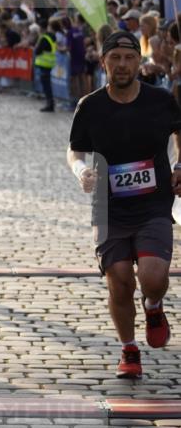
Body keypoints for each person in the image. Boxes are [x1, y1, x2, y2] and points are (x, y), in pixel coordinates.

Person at [67, 30, 181, 379]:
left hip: (154, 203)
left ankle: (153, 305)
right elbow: (75, 150)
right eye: (114, 58)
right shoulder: (90, 106)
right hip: (108, 207)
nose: (122, 64)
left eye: (129, 58)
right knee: (119, 281)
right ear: (103, 62)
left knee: (152, 277)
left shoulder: (160, 100)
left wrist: (180, 165)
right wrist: (81, 171)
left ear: (138, 61)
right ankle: (129, 349)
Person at [34, 20, 57, 112]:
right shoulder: (52, 36)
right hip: (49, 64)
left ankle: (49, 104)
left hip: (44, 64)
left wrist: (37, 45)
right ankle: (50, 103)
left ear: (40, 28)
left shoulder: (44, 38)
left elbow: (37, 51)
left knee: (46, 86)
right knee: (47, 85)